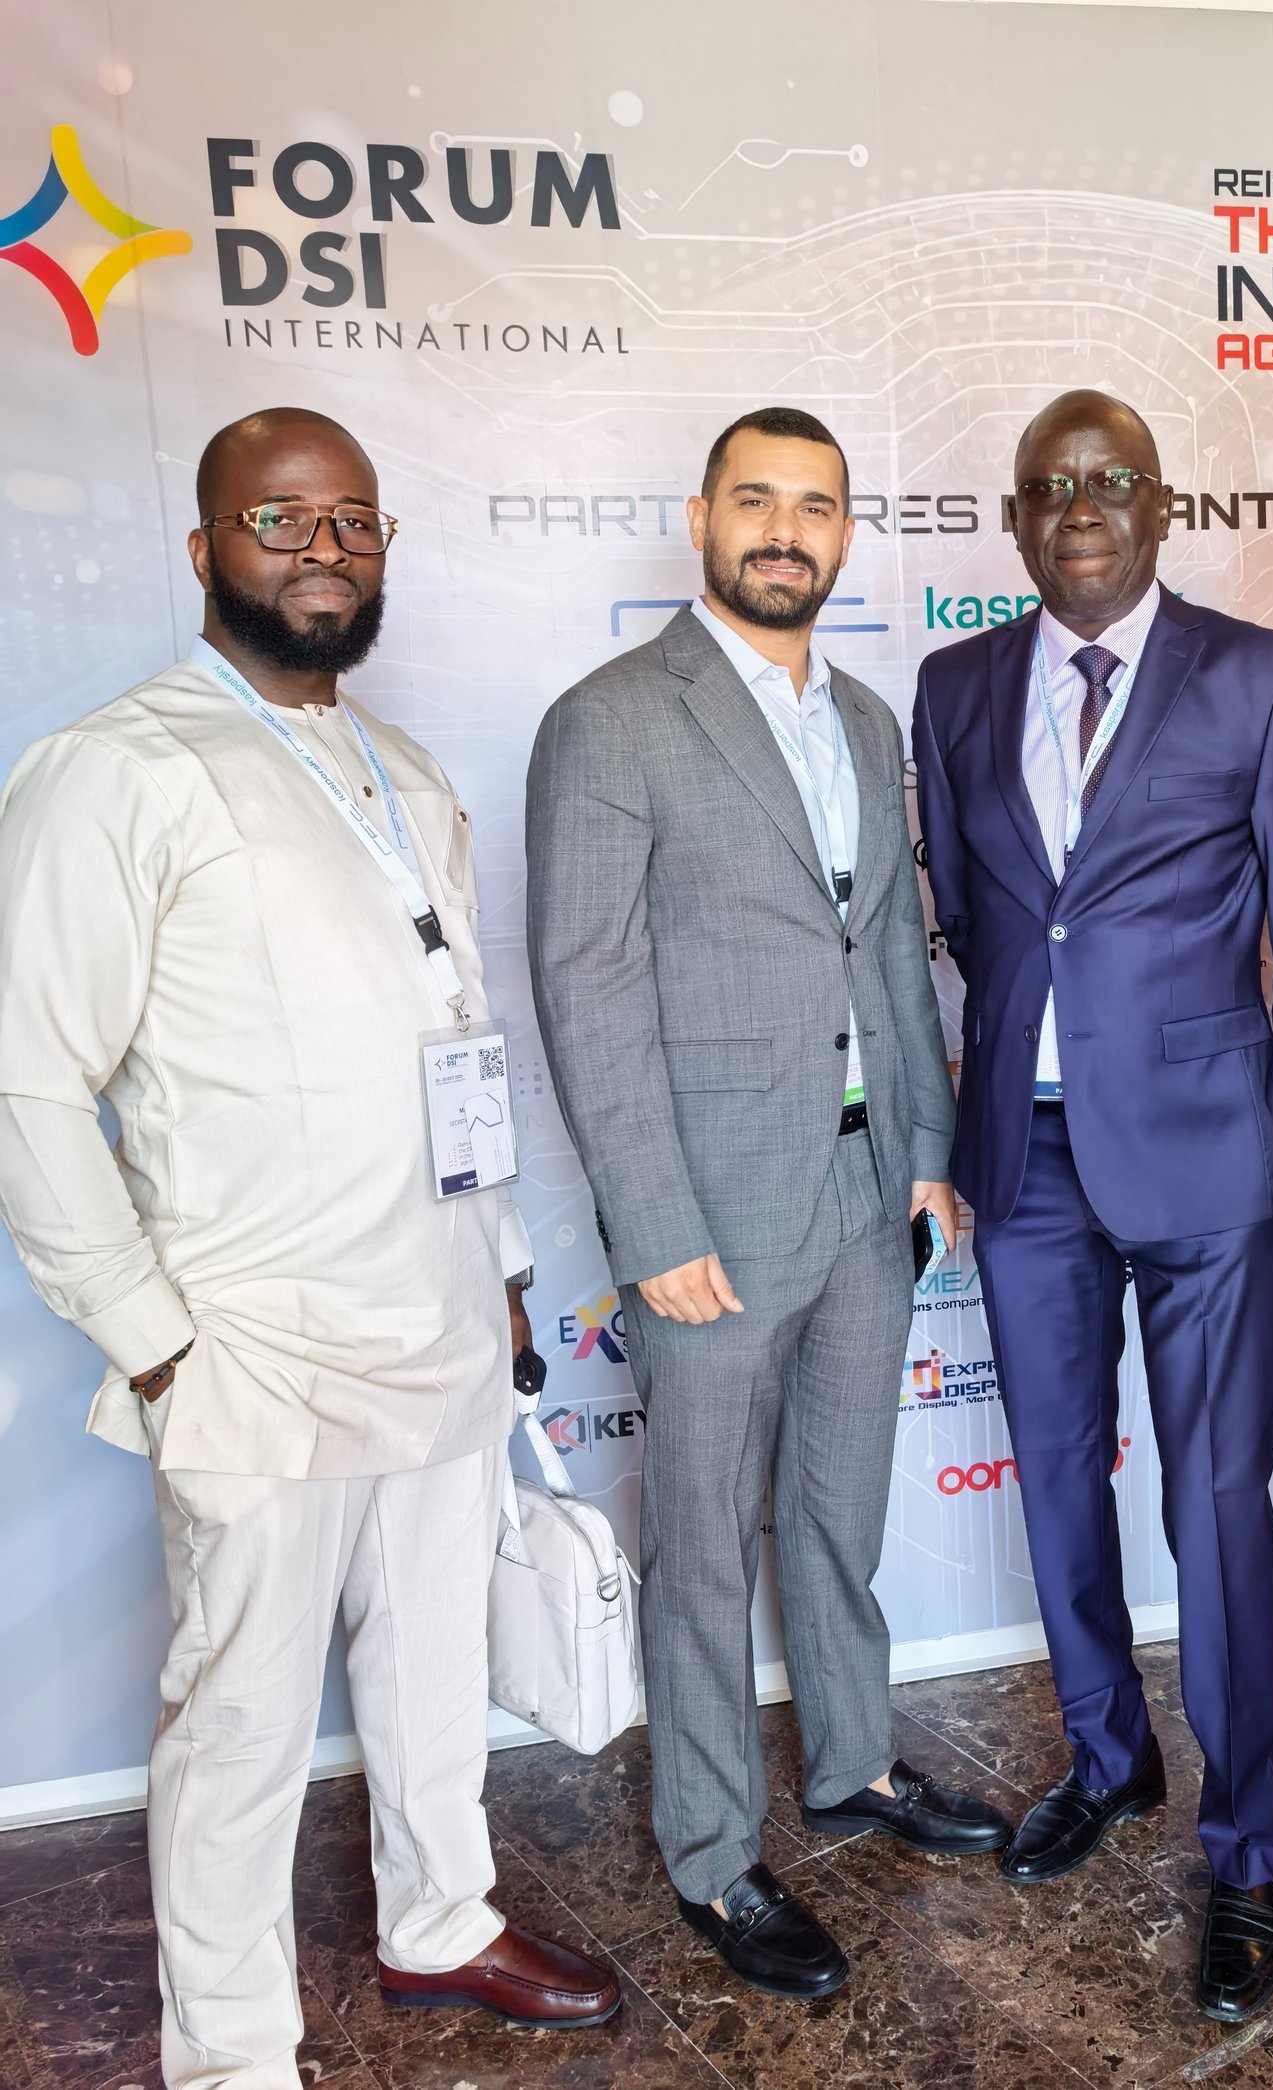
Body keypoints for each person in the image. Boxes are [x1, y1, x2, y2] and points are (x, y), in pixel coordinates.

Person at [0, 408, 619, 2090]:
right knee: (244, 1722)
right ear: (204, 550)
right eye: (280, 522)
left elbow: (458, 1043)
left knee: (431, 1668)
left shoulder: (405, 771)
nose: (321, 549)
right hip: (251, 1345)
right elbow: (28, 1082)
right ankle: (232, 2051)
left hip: (435, 1317)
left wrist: (499, 1269)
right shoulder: (112, 772)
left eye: (352, 521)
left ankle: (439, 1918)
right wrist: (149, 1336)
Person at [525, 405, 1009, 2003]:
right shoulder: (611, 720)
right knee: (705, 1557)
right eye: (757, 501)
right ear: (701, 516)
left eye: (815, 505)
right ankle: (717, 1852)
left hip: (872, 1192)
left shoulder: (866, 721)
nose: (785, 530)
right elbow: (587, 987)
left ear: (848, 534)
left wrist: (928, 1147)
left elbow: (889, 953)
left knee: (837, 1513)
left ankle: (853, 1764)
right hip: (710, 1224)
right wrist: (651, 1225)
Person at [912, 389, 1273, 2025]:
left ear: (1162, 508)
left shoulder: (1260, 675)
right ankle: (1111, 1751)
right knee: (1053, 1483)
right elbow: (967, 919)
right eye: (1050, 487)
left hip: (1206, 1166)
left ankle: (1249, 1853)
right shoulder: (954, 686)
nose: (1080, 506)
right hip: (1022, 1166)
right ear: (1018, 524)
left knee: (1218, 1505)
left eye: (1110, 482)